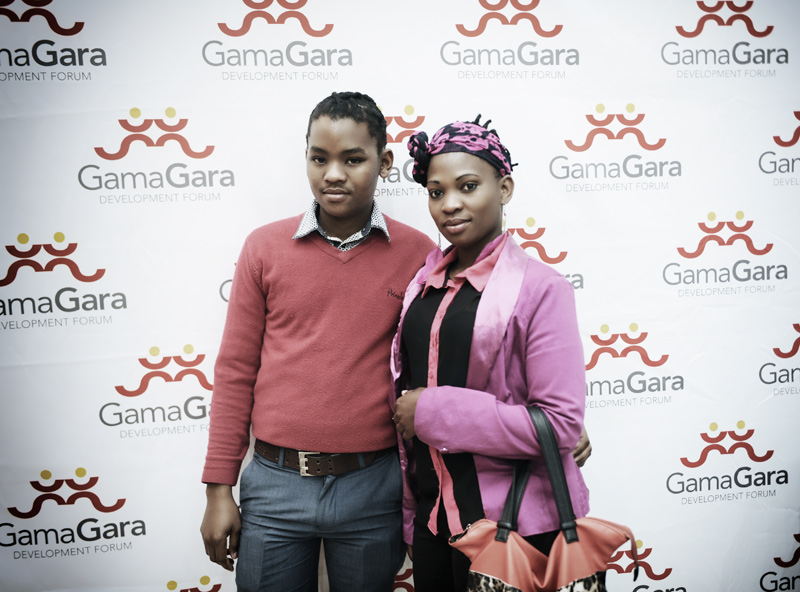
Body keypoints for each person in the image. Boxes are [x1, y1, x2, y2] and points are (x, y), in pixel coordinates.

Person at [199, 91, 437, 592]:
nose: (333, 174)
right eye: (319, 158)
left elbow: (446, 359)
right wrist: (218, 490)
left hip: (374, 487)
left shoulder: (419, 254)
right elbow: (236, 369)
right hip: (274, 485)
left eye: (353, 159)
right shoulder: (263, 248)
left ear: (384, 162)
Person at [390, 117, 591, 591]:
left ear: (504, 188)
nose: (449, 204)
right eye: (436, 192)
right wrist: (413, 514)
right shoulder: (423, 285)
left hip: (513, 526)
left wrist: (431, 410)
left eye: (468, 186)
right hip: (436, 521)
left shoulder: (541, 288)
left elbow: (560, 424)